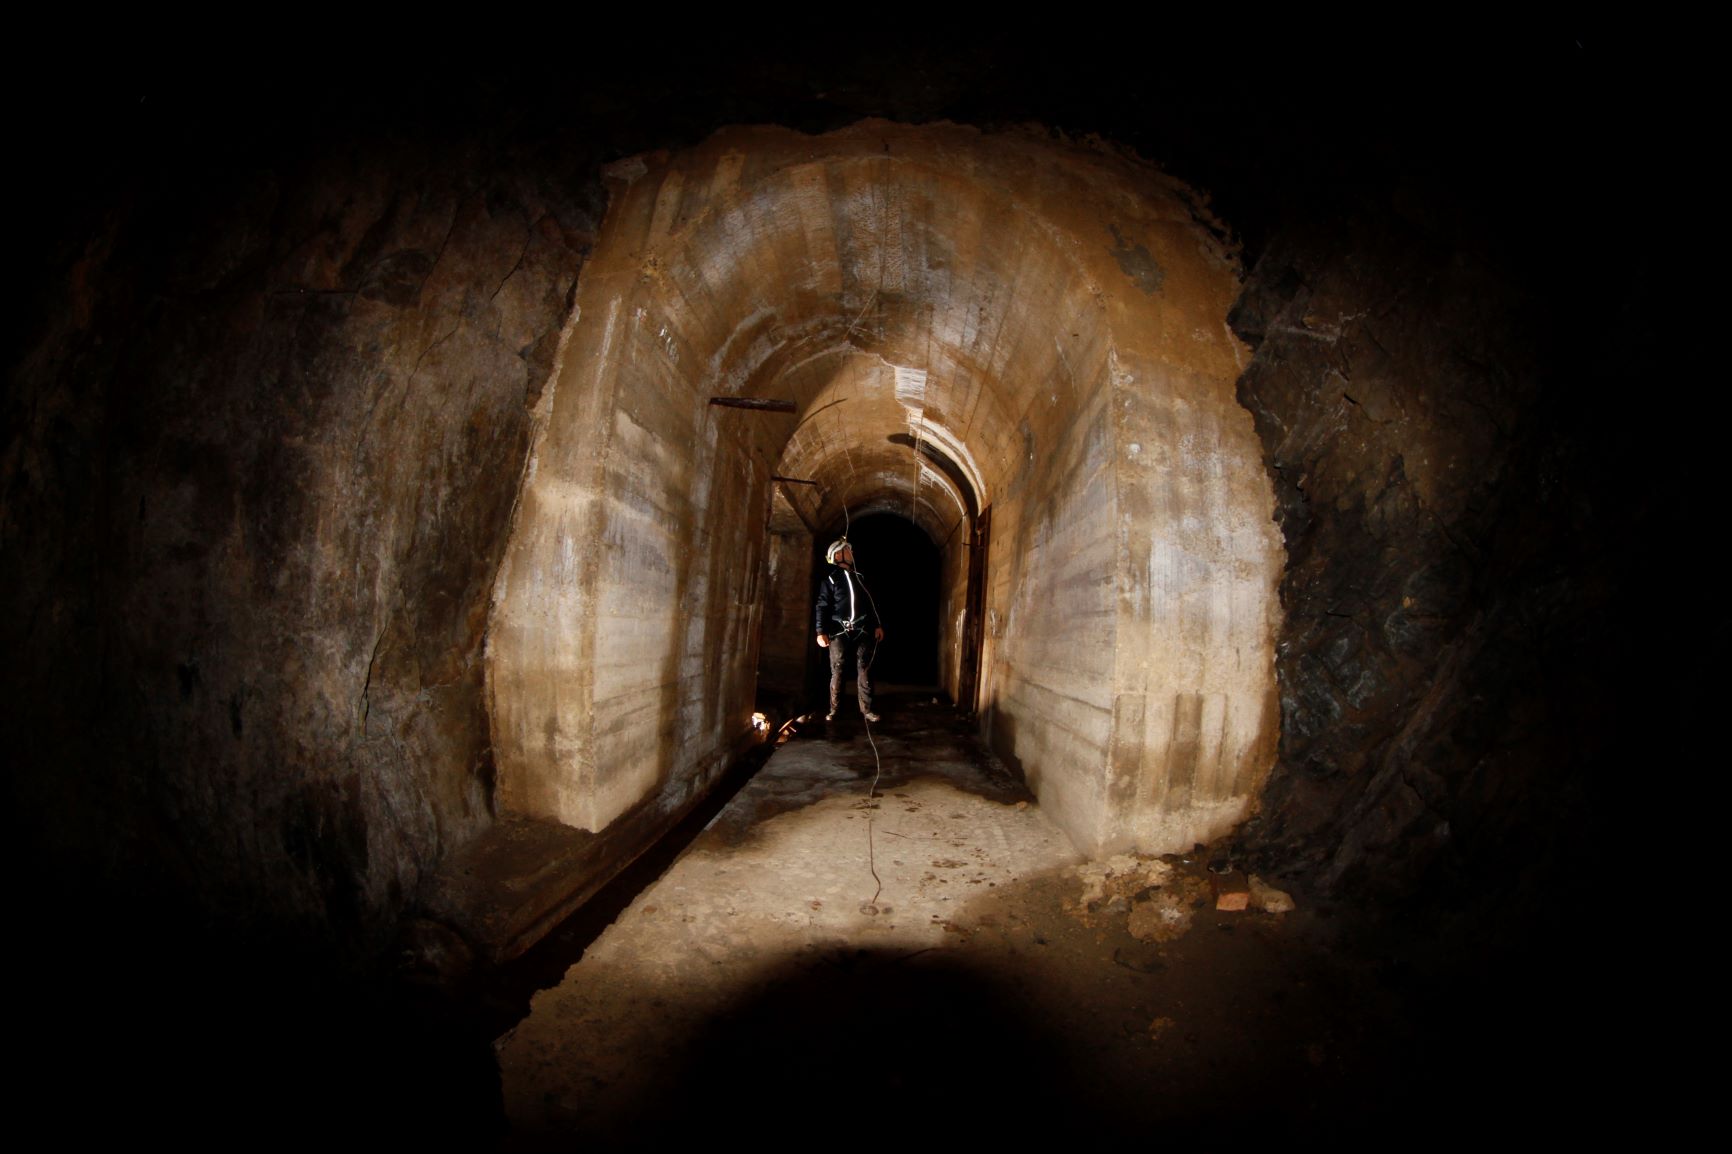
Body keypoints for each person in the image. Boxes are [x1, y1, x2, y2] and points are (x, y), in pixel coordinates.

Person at [814, 538, 885, 722]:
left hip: (862, 630)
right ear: (838, 555)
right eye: (848, 550)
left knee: (865, 669)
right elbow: (822, 605)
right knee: (837, 670)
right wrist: (820, 631)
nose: (852, 553)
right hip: (838, 631)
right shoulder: (830, 579)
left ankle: (867, 710)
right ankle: (835, 710)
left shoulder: (859, 578)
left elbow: (870, 604)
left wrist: (877, 625)